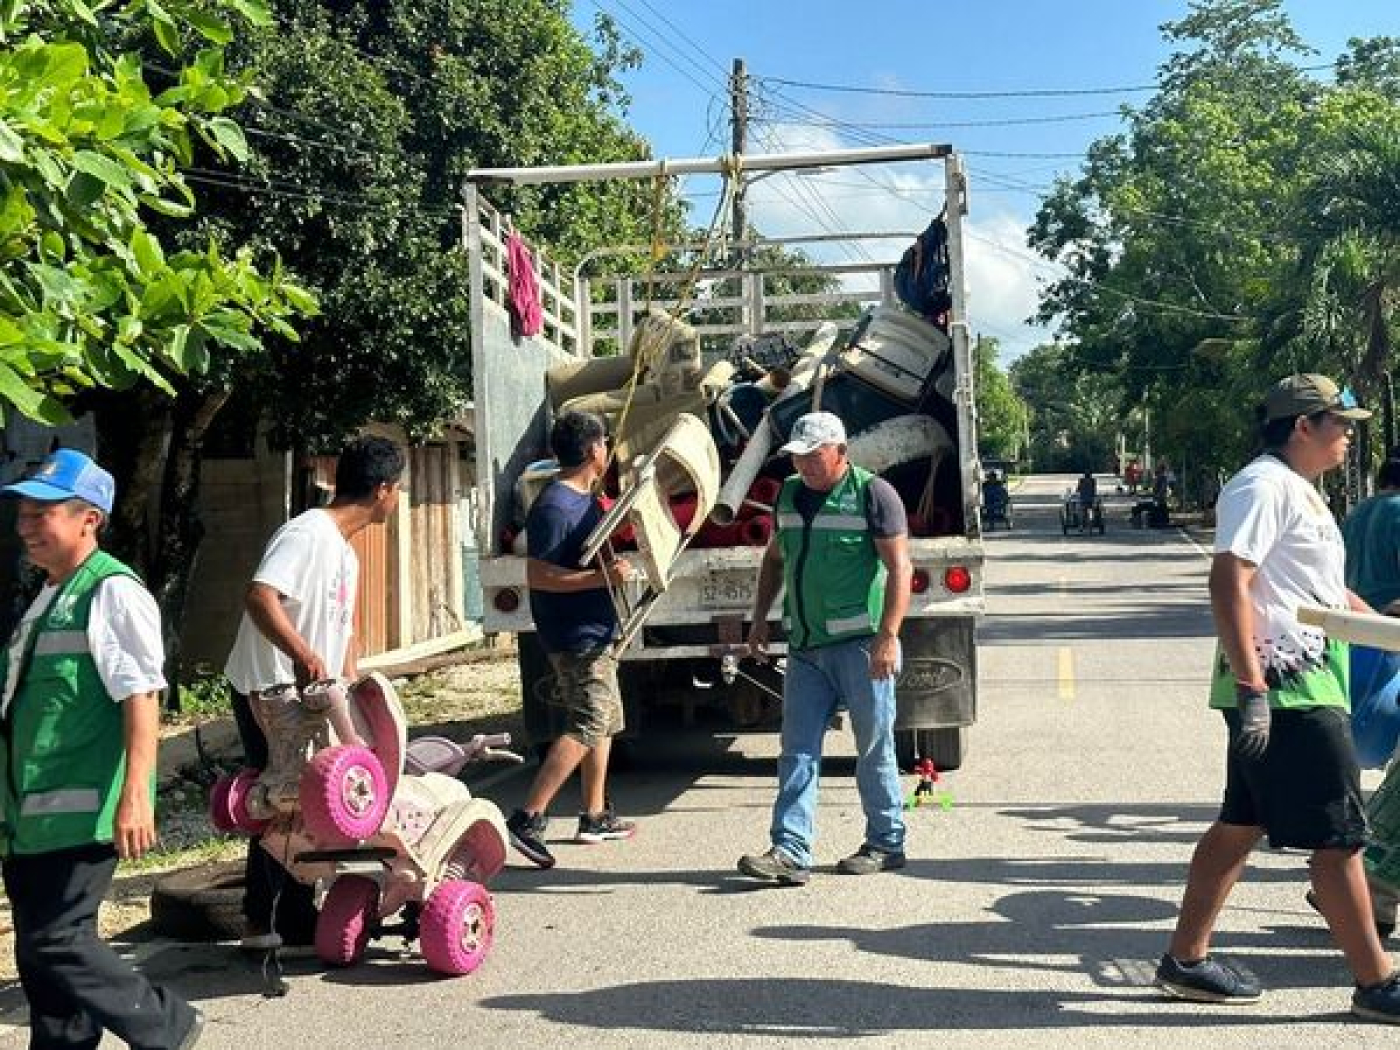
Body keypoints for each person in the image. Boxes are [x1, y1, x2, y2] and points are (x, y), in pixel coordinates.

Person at [1154, 373, 1400, 1025]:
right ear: (1303, 426)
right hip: (1286, 688)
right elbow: (1229, 579)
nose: (1349, 436)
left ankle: (1185, 959)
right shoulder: (1262, 486)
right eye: (1340, 425)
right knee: (1340, 838)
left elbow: (1322, 593)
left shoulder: (1298, 492)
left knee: (1241, 823)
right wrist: (1252, 687)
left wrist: (1384, 627)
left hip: (1299, 682)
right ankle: (1376, 982)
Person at [0, 449, 204, 1049]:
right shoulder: (46, 598)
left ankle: (165, 1023)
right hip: (29, 817)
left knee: (55, 942)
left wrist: (138, 796)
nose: (26, 527)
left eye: (43, 514)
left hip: (79, 811)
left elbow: (140, 695)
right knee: (43, 962)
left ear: (89, 518)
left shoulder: (111, 592)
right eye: (22, 514)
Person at [223, 435, 405, 950]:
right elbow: (260, 597)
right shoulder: (306, 533)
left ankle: (295, 913)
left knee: (314, 801)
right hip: (269, 691)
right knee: (282, 799)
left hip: (312, 697)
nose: (396, 501)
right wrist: (304, 655)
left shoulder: (345, 554)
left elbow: (344, 632)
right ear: (383, 490)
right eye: (398, 492)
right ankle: (264, 920)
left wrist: (358, 690)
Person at [738, 410, 912, 885]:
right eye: (799, 459)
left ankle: (885, 841)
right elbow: (775, 560)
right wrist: (759, 622)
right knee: (796, 750)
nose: (806, 468)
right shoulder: (789, 496)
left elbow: (900, 569)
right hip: (806, 647)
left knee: (874, 747)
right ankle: (790, 851)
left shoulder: (874, 494)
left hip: (861, 647)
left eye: (815, 458)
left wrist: (888, 637)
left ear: (840, 451)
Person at [506, 410, 636, 870]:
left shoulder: (586, 499)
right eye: (603, 443)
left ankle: (595, 814)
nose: (608, 450)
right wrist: (600, 580)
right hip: (574, 636)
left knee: (603, 721)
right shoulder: (555, 506)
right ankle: (528, 817)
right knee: (587, 722)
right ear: (592, 451)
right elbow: (537, 574)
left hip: (596, 630)